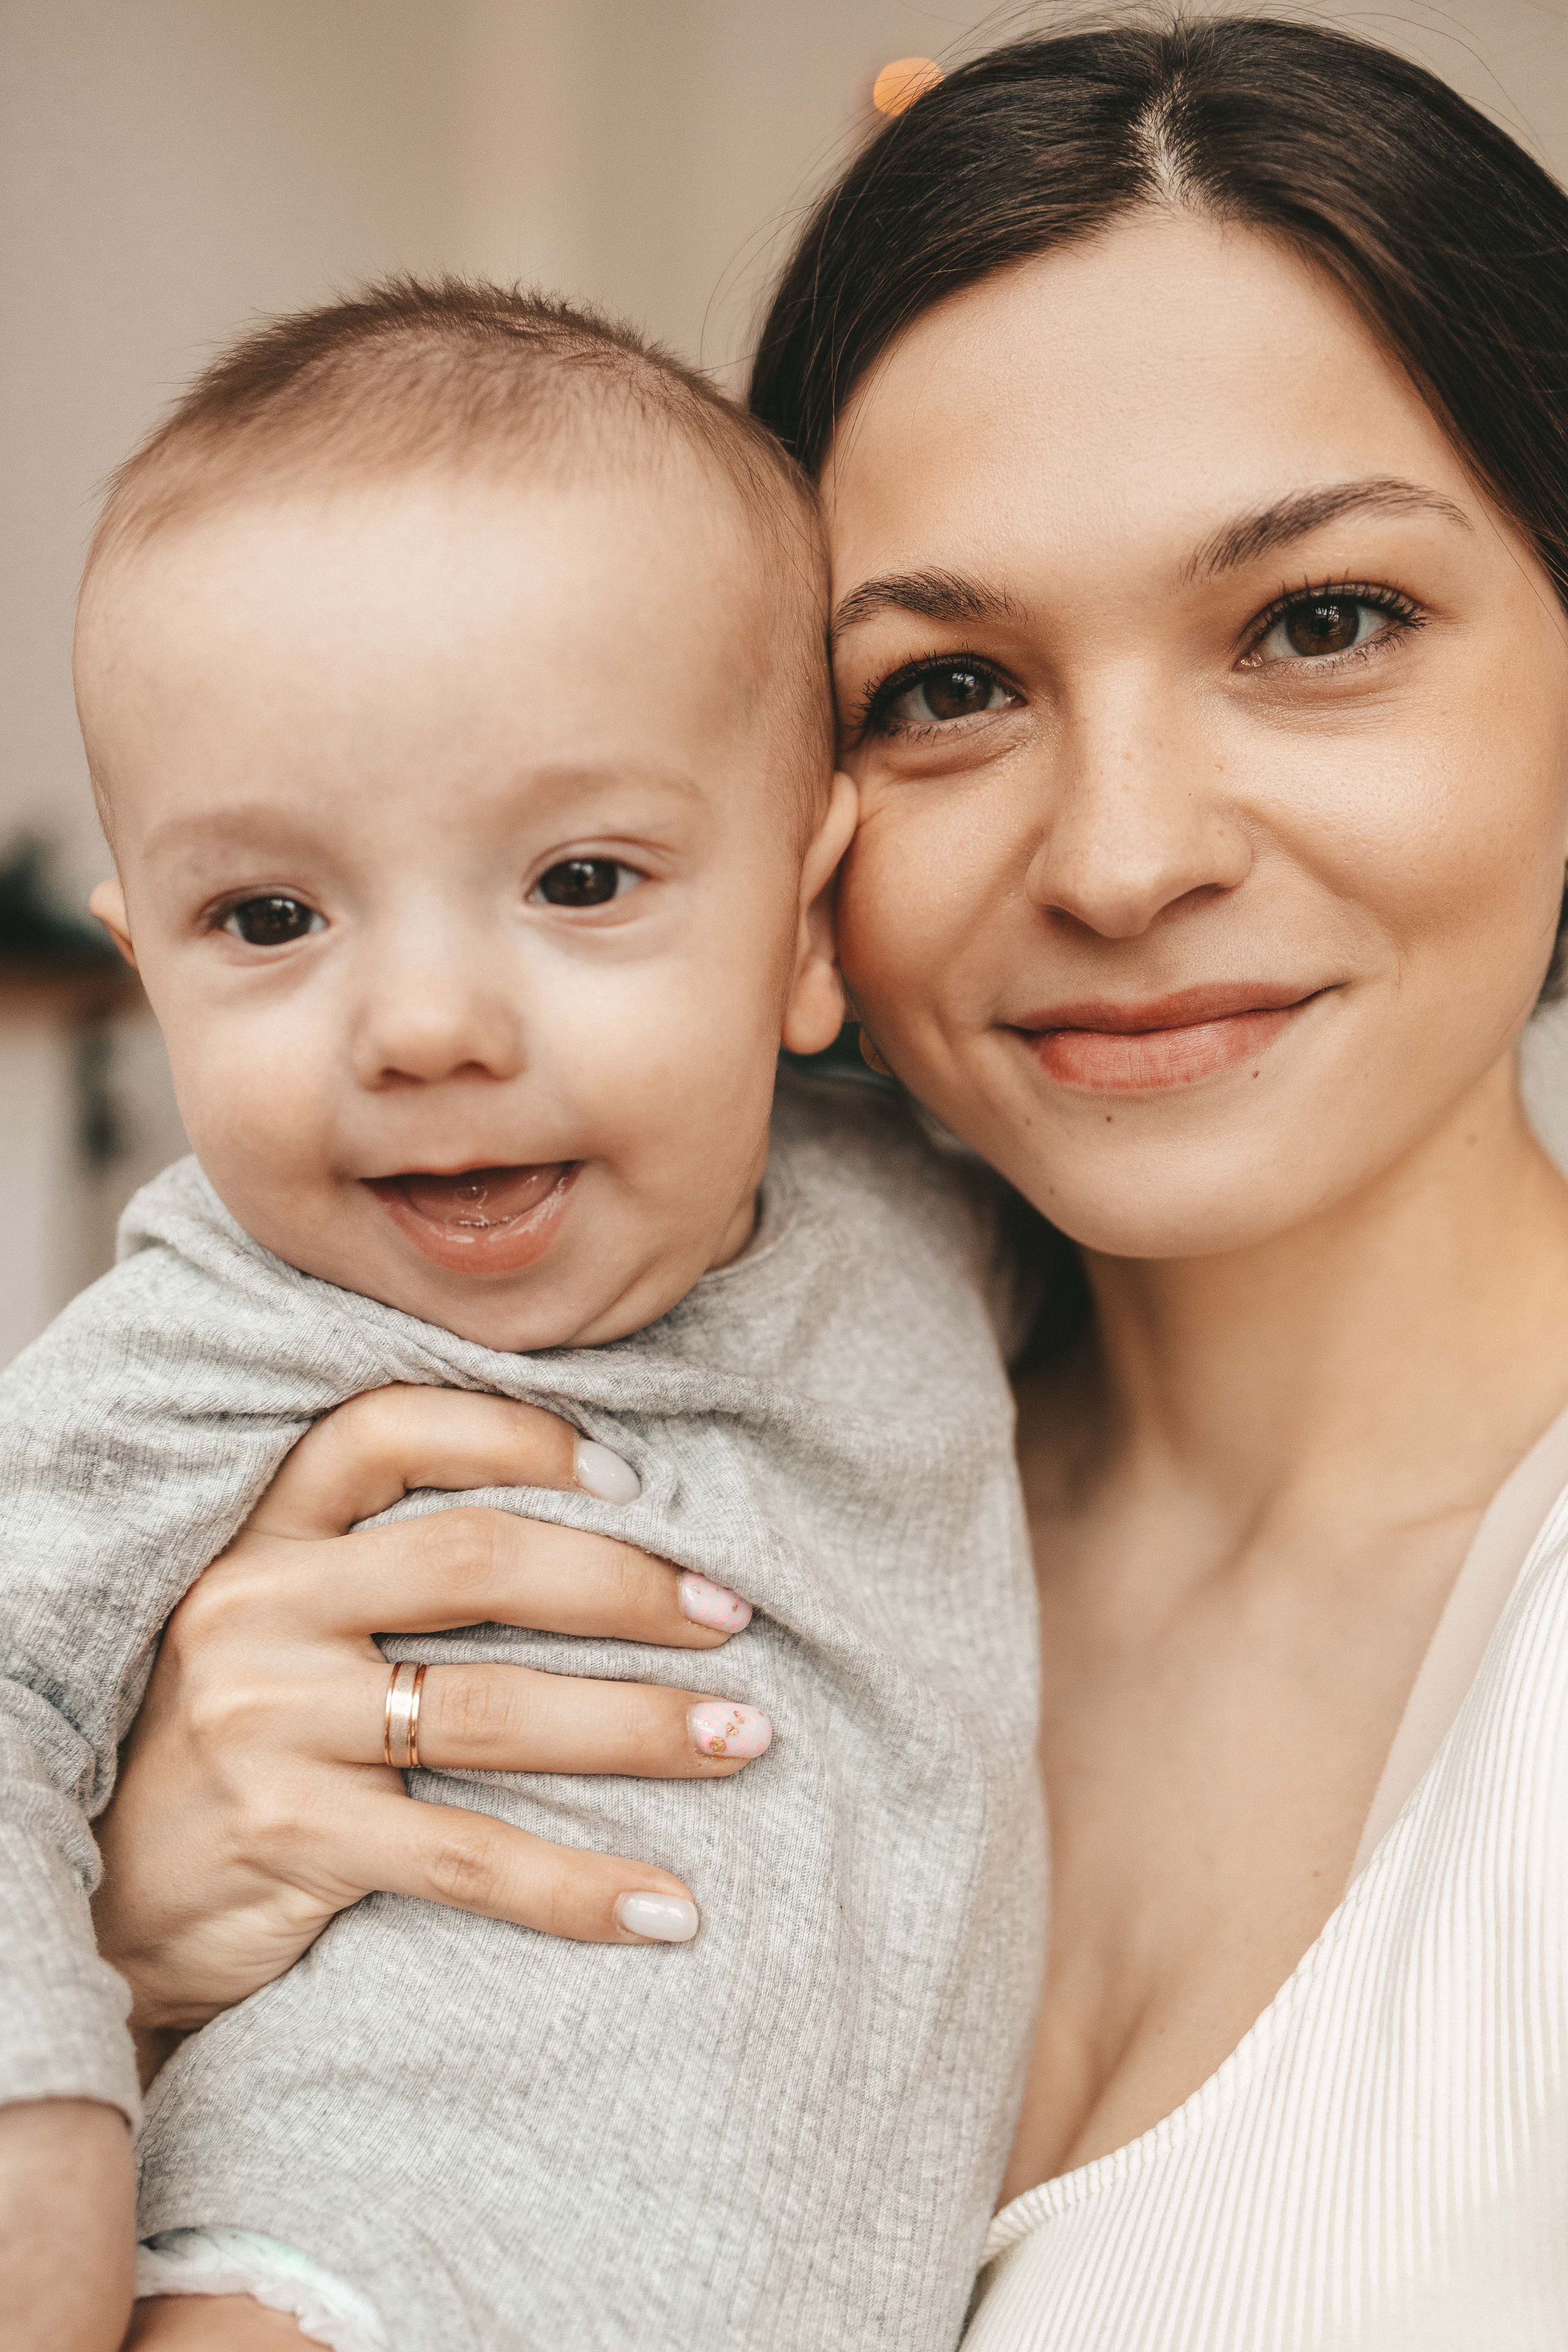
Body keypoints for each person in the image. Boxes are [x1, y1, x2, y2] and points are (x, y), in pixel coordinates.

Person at [8, 10, 1568, 2350]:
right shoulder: (493, 1413)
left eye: (1321, 625)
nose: (1125, 858)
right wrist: (128, 1955)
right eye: (943, 684)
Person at [0, 282, 1043, 2350]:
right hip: (335, 2276)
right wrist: (44, 2119)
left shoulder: (939, 1224)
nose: (425, 1029)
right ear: (147, 965)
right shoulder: (216, 1337)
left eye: (579, 883)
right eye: (269, 918)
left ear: (811, 921)